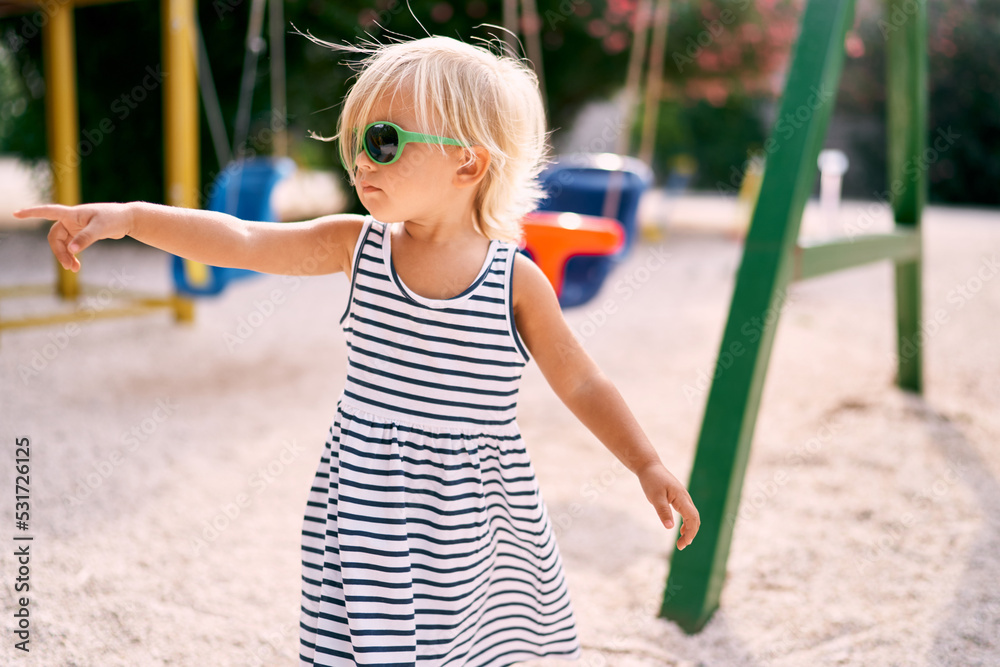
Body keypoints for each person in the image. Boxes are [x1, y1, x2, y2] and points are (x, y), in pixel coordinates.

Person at [15, 34, 699, 667]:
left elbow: (581, 382)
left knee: (476, 643)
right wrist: (131, 218)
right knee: (368, 643)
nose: (362, 160)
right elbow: (243, 240)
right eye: (354, 142)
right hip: (368, 503)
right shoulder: (359, 246)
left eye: (384, 139)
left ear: (469, 159)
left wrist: (644, 461)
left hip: (474, 512)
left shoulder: (514, 280)